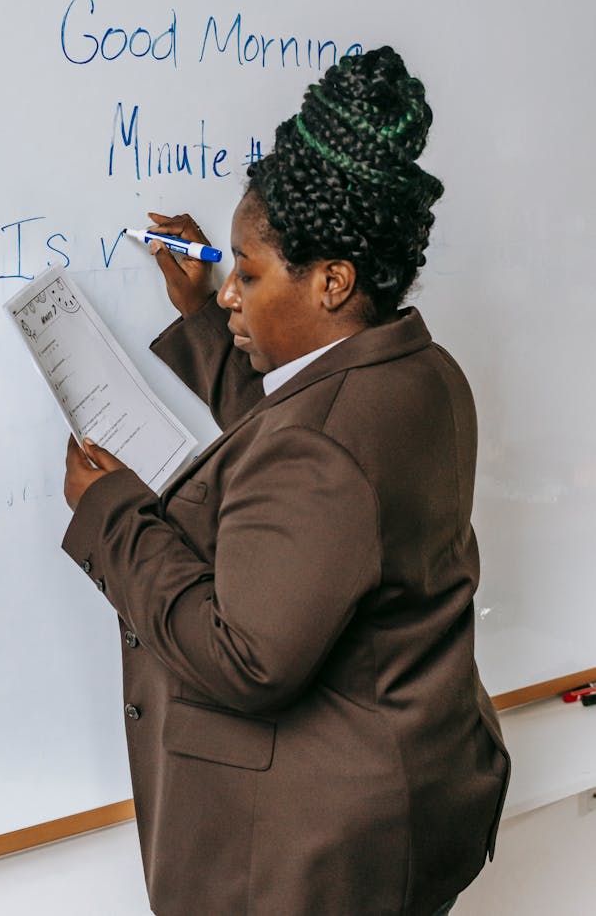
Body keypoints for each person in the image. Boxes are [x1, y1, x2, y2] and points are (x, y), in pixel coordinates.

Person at [62, 46, 509, 916]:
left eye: (249, 273)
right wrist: (201, 314)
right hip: (410, 793)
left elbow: (247, 657)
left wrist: (112, 514)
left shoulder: (324, 448)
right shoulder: (422, 371)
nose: (231, 290)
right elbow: (295, 447)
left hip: (318, 853)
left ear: (334, 280)